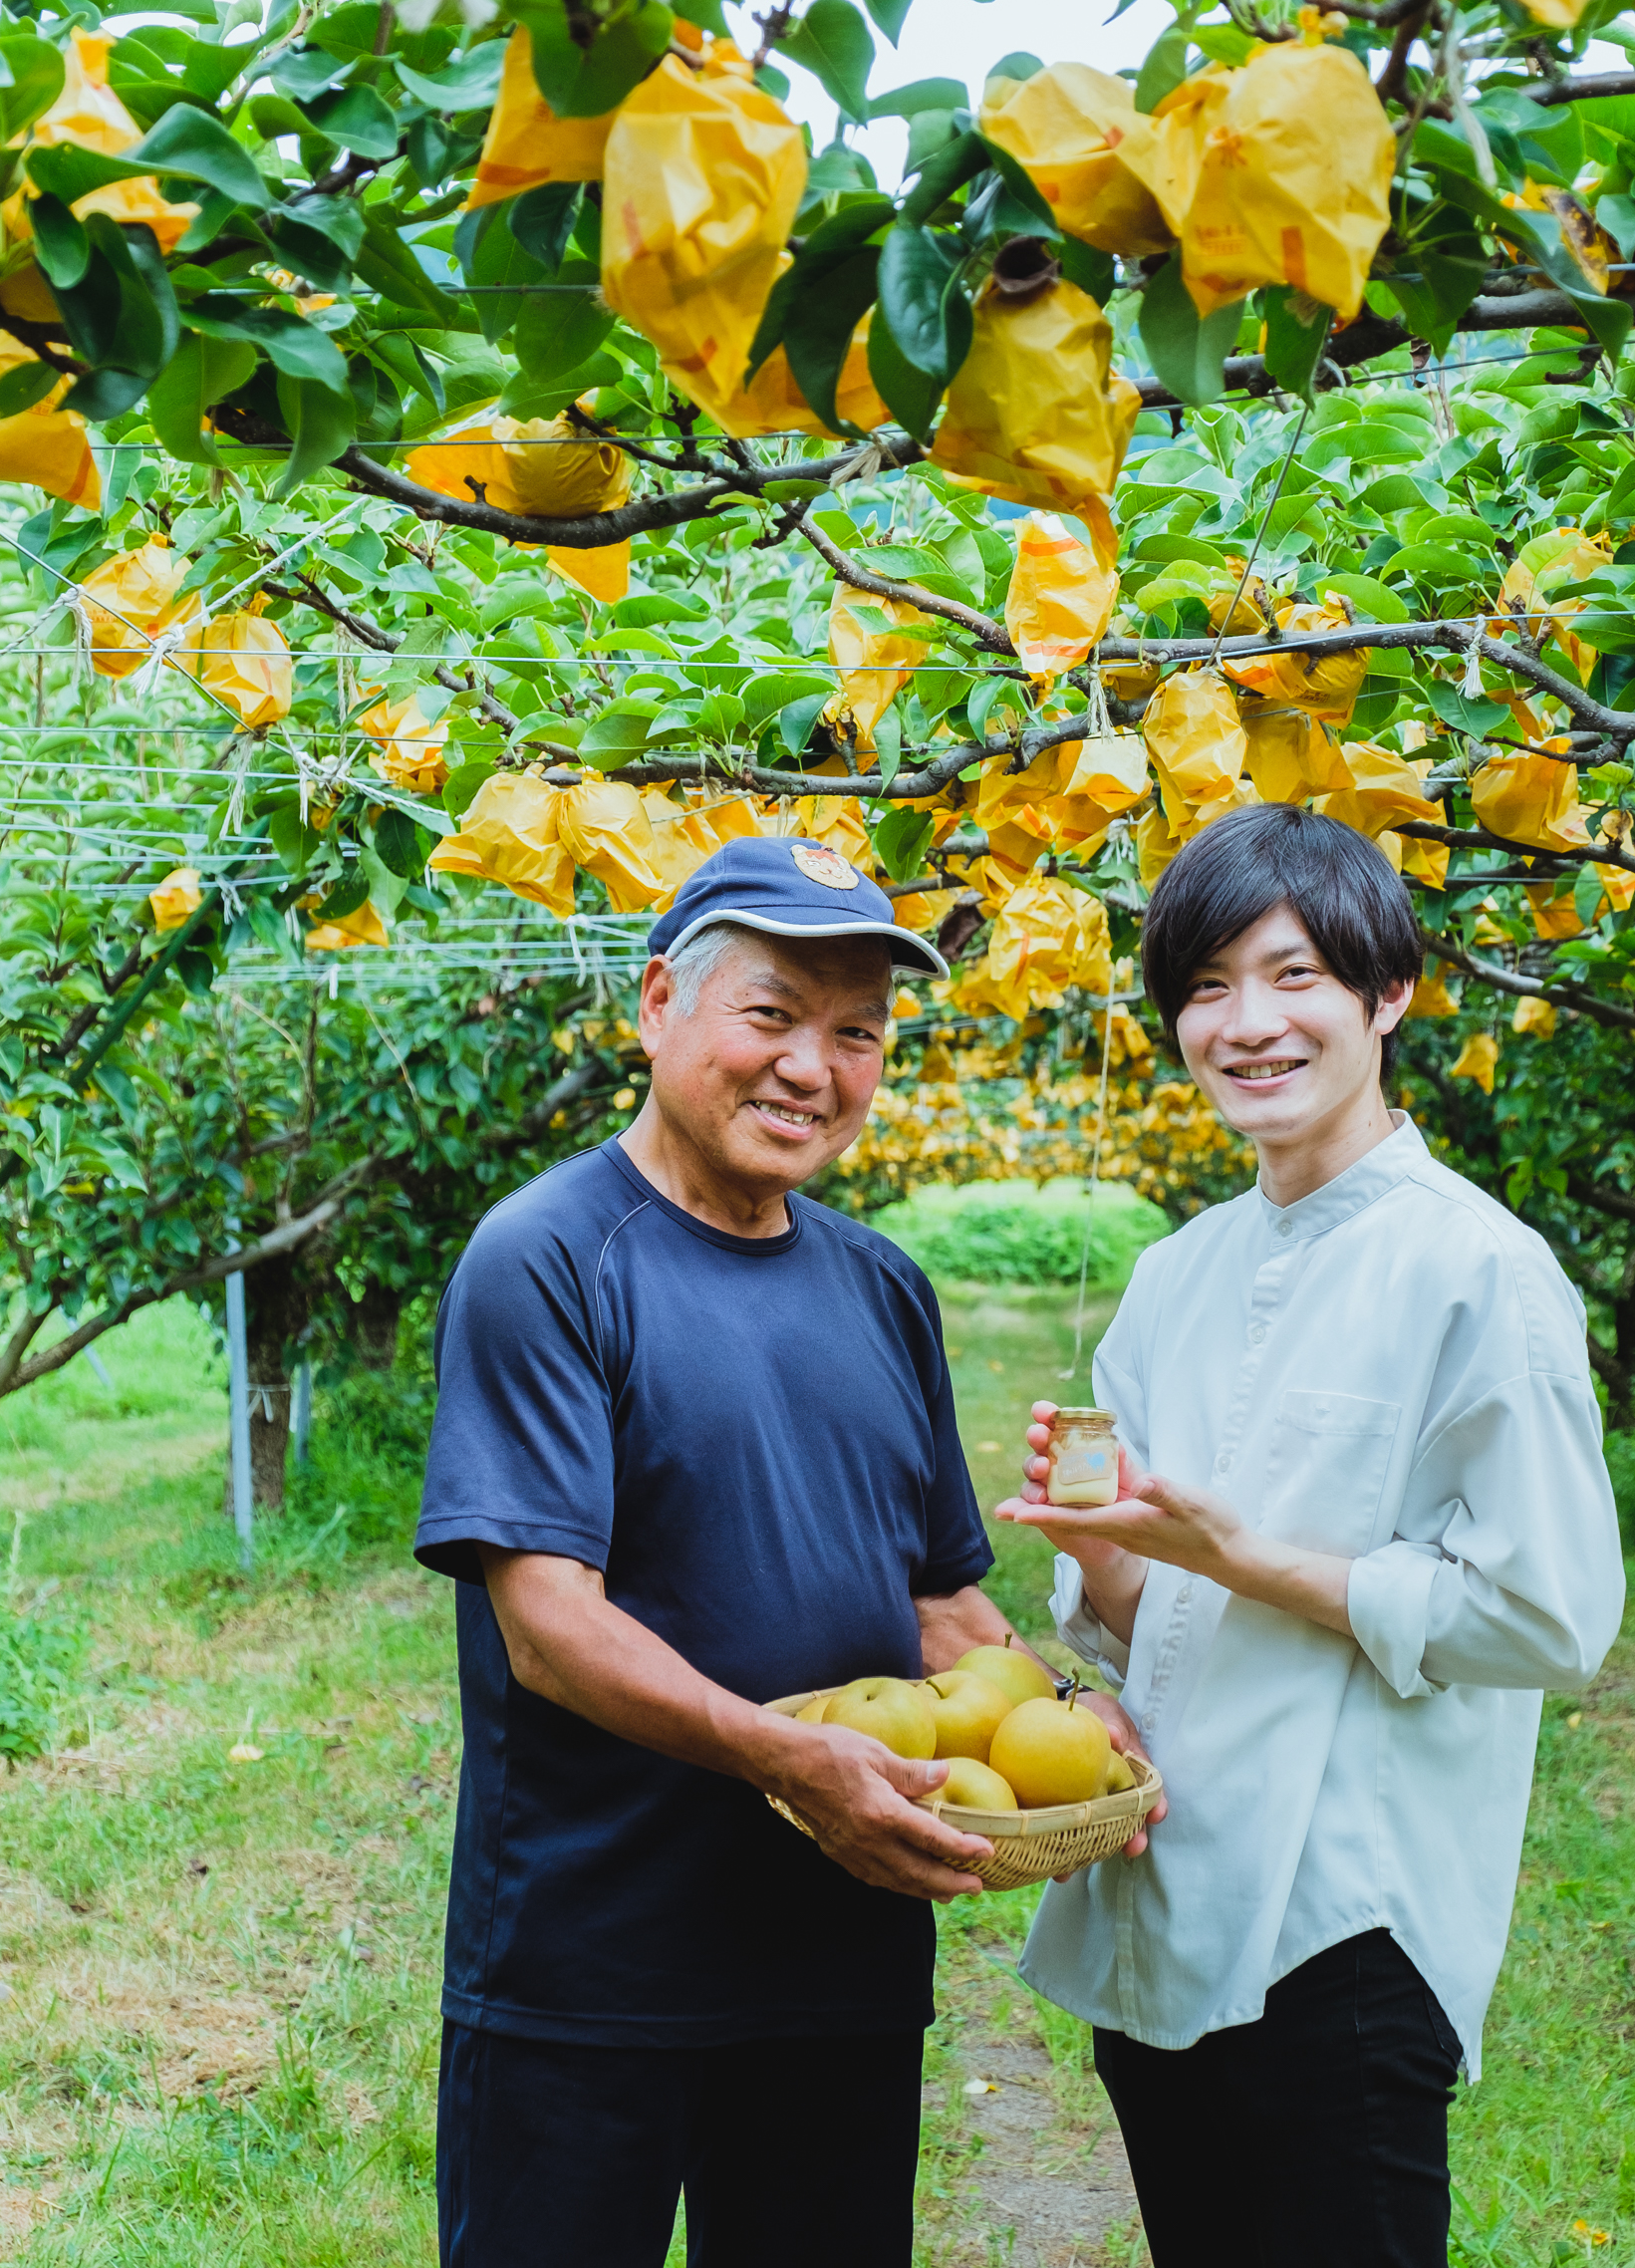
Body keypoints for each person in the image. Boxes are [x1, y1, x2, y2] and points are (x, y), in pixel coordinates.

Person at [415, 833, 1132, 2267]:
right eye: (772, 1014)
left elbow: (935, 1599)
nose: (814, 1063)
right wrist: (786, 1755)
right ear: (659, 1003)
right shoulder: (549, 1256)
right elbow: (549, 1625)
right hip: (592, 1965)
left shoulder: (882, 1285)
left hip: (838, 1965)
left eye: (857, 1031)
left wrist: (1069, 1715)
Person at [1000, 802, 1624, 2268]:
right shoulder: (1174, 1275)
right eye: (1206, 987)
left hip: (1350, 1920)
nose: (1246, 1024)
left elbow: (1551, 1617)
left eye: (1291, 976)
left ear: (1385, 993)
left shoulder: (1480, 1270)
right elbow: (1136, 1607)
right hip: (1164, 1888)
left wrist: (1241, 1557)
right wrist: (1100, 1552)